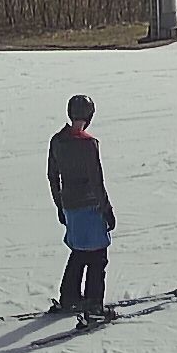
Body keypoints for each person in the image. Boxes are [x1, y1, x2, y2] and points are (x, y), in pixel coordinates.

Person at [49, 94, 116, 319]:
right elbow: (97, 181)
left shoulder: (57, 141)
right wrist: (107, 210)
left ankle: (70, 298)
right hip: (90, 207)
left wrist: (60, 206)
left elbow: (52, 176)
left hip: (70, 206)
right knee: (98, 256)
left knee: (78, 252)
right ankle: (94, 306)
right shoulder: (88, 144)